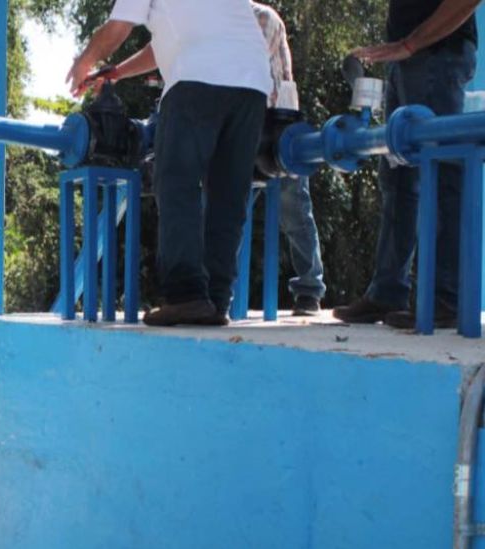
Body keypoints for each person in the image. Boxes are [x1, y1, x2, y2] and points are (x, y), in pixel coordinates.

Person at [84, 1, 326, 317]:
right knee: (229, 195)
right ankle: (216, 300)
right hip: (251, 91)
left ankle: (186, 295)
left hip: (221, 94)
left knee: (176, 182)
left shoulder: (263, 18)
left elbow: (115, 31)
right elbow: (162, 47)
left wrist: (82, 63)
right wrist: (118, 73)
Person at [334, 0, 479, 329]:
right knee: (398, 177)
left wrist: (412, 43)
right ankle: (387, 292)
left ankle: (445, 298)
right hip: (406, 57)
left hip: (435, 53)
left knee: (440, 173)